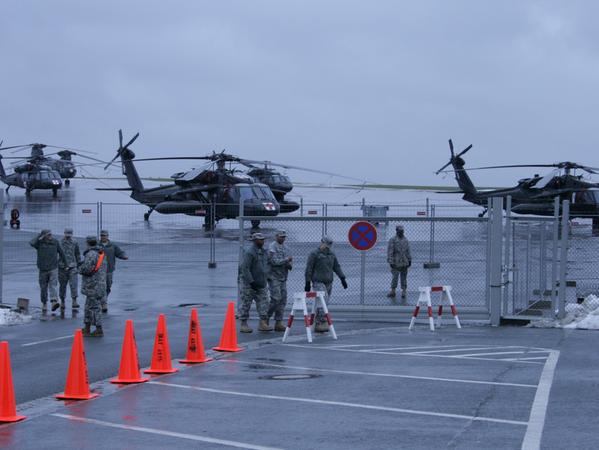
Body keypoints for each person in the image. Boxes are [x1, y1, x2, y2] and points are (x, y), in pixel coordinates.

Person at [304, 236, 347, 333]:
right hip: (318, 281)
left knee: (325, 302)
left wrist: (342, 278)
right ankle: (320, 321)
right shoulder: (314, 254)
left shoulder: (331, 254)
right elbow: (309, 268)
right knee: (324, 300)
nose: (327, 247)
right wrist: (307, 282)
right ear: (321, 242)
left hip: (328, 281)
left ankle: (318, 319)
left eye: (329, 245)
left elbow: (336, 266)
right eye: (326, 245)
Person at [239, 232, 272, 333]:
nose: (262, 241)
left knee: (264, 303)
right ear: (254, 241)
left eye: (263, 239)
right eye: (259, 239)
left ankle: (263, 323)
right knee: (246, 303)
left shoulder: (264, 252)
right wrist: (251, 281)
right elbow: (245, 268)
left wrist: (267, 277)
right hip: (250, 284)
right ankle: (243, 323)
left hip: (261, 283)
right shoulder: (250, 252)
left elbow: (267, 264)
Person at [29, 229, 66, 313]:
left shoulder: (55, 242)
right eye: (48, 235)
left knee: (53, 285)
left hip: (53, 268)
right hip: (42, 269)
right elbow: (31, 243)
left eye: (50, 234)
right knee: (43, 287)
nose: (50, 236)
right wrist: (39, 236)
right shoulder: (39, 243)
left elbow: (62, 253)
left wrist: (66, 264)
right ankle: (44, 303)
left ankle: (54, 302)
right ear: (44, 235)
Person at [80, 236, 107, 337]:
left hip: (92, 285)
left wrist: (79, 268)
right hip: (100, 283)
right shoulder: (101, 253)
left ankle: (99, 329)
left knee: (94, 307)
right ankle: (87, 327)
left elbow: (87, 269)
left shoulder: (91, 254)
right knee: (88, 306)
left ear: (87, 243)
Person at [267, 230, 292, 332]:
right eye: (281, 237)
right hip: (274, 277)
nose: (282, 238)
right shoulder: (272, 247)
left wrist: (289, 265)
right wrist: (286, 260)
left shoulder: (286, 248)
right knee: (276, 298)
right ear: (276, 236)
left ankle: (279, 322)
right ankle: (265, 317)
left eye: (284, 237)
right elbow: (273, 262)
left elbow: (288, 260)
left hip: (283, 277)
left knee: (282, 300)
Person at [99, 230, 128, 313]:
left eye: (104, 235)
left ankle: (103, 300)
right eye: (101, 236)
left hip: (109, 269)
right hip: (99, 271)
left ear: (107, 236)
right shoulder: (97, 246)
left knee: (108, 286)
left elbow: (120, 253)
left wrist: (124, 256)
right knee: (102, 287)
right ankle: (104, 303)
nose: (103, 237)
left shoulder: (112, 246)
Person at [58, 228, 81, 311]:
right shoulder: (59, 242)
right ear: (64, 233)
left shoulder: (75, 242)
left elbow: (77, 253)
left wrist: (79, 264)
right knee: (62, 285)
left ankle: (74, 301)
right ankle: (62, 301)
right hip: (62, 267)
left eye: (69, 234)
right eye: (66, 234)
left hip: (72, 266)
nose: (68, 236)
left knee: (74, 284)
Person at [387, 225, 412, 301]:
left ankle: (404, 291)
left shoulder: (406, 240)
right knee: (395, 277)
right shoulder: (393, 240)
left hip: (404, 261)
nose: (401, 232)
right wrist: (391, 261)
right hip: (396, 261)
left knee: (404, 277)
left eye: (402, 231)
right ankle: (393, 291)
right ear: (396, 231)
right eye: (399, 231)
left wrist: (409, 260)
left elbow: (408, 251)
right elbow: (390, 251)